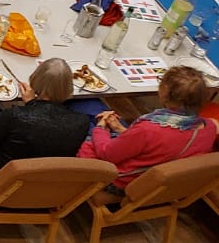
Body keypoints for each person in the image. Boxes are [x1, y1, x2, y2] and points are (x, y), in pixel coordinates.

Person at [78, 66, 218, 194]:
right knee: (96, 111)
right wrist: (120, 129)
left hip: (119, 181)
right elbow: (160, 147)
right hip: (154, 187)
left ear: (165, 92)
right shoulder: (210, 127)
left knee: (82, 122)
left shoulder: (149, 129)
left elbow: (107, 154)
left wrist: (101, 127)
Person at [0, 58, 92, 186]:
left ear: (35, 79)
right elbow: (47, 129)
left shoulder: (16, 116)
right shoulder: (82, 122)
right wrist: (32, 104)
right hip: (40, 187)